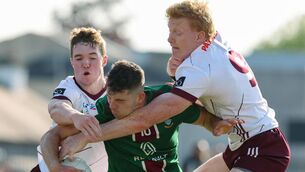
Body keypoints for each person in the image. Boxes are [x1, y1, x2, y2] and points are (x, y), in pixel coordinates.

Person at [64, 1, 290, 172]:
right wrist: (176, 70)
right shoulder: (215, 42)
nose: (170, 39)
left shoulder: (199, 67)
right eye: (170, 31)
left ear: (200, 35)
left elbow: (145, 118)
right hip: (241, 146)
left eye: (178, 32)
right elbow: (202, 80)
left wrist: (85, 137)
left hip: (263, 149)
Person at [40, 60, 242, 172]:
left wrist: (216, 124)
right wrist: (55, 167)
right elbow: (50, 137)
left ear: (140, 98)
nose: (112, 105)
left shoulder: (168, 101)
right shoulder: (103, 109)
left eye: (120, 101)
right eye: (110, 97)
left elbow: (205, 119)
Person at [34, 27, 108, 172]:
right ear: (72, 62)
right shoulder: (69, 87)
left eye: (92, 57)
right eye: (79, 58)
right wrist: (76, 116)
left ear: (104, 60)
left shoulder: (115, 92)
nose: (85, 63)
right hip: (56, 167)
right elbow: (56, 107)